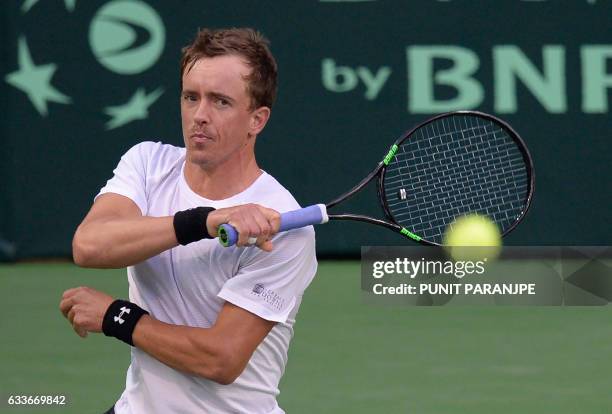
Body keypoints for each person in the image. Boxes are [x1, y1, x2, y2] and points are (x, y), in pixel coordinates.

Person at [59, 28, 317, 414]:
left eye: (221, 102)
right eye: (191, 97)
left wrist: (116, 316)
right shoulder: (148, 164)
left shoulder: (282, 226)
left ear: (257, 120)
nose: (199, 115)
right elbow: (89, 245)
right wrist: (203, 222)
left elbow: (220, 358)